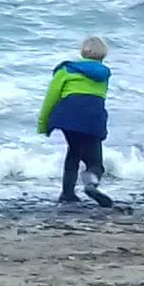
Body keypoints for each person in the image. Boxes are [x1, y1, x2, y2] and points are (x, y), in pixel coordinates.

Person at [37, 37, 113, 207]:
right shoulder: (104, 74)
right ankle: (90, 181)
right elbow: (96, 100)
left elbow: (52, 97)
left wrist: (44, 123)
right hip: (92, 119)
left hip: (67, 117)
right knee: (95, 162)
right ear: (103, 55)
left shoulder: (66, 70)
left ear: (82, 52)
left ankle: (67, 193)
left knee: (73, 152)